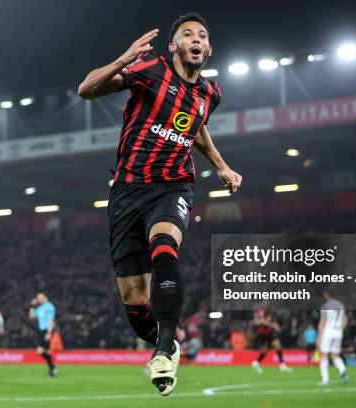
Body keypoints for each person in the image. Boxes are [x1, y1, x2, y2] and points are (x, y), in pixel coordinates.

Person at [77, 12, 242, 396]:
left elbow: (194, 125)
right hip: (127, 192)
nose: (196, 39)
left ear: (209, 49)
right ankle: (164, 340)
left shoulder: (210, 94)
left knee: (165, 249)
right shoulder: (151, 68)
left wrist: (221, 166)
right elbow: (86, 89)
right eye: (188, 34)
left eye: (202, 35)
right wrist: (122, 59)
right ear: (174, 46)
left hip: (173, 186)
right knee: (135, 302)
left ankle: (165, 349)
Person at [317, 290, 349, 386]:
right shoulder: (341, 305)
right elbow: (345, 321)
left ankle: (325, 379)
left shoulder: (325, 306)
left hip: (328, 332)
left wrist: (319, 336)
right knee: (335, 355)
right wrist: (340, 330)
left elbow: (323, 322)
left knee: (324, 356)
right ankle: (343, 371)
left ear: (327, 294)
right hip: (338, 332)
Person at [250, 309, 293, 373]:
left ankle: (256, 362)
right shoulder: (261, 311)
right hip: (264, 334)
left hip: (268, 333)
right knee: (272, 347)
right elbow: (261, 322)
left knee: (272, 348)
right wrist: (274, 325)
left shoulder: (268, 313)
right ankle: (282, 365)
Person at [28, 293, 57, 377]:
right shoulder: (40, 308)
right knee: (47, 351)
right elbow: (31, 317)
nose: (38, 299)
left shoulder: (49, 306)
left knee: (39, 350)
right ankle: (52, 370)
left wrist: (49, 332)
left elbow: (50, 320)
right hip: (41, 331)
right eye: (37, 298)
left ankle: (53, 367)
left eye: (39, 297)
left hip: (47, 330)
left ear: (45, 297)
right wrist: (32, 306)